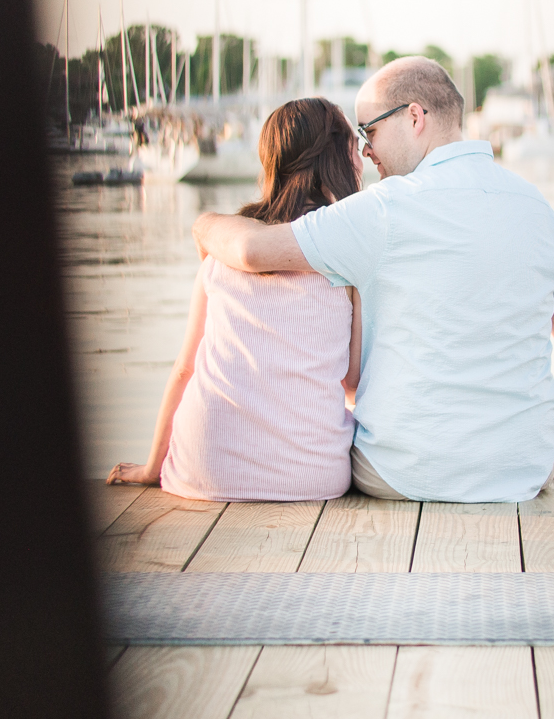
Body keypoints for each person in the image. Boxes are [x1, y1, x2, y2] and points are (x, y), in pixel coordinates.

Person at [192, 56, 554, 503]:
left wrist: (203, 225)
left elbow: (252, 251)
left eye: (369, 132)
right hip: (524, 473)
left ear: (414, 117)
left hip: (403, 474)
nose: (366, 152)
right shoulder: (540, 212)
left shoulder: (382, 210)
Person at [107, 98, 363, 501]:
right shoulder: (348, 259)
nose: (361, 154)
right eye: (353, 143)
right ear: (334, 156)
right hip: (312, 477)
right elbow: (351, 381)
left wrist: (151, 467)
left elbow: (184, 369)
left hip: (201, 472)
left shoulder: (222, 252)